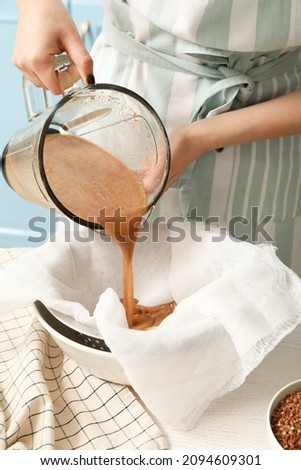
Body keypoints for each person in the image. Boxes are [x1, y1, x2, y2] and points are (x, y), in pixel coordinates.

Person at [13, 0, 301, 275]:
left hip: (267, 126)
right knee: (100, 277)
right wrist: (36, 5)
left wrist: (196, 137)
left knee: (250, 304)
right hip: (121, 109)